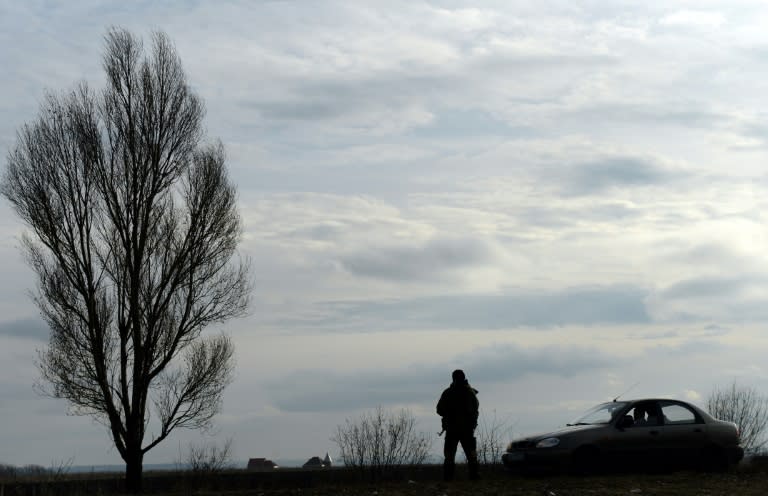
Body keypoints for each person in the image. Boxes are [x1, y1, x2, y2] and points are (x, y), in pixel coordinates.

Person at [436, 369, 480, 481]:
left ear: (453, 378)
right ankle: (474, 477)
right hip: (467, 429)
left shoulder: (448, 393)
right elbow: (476, 408)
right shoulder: (470, 392)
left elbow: (439, 410)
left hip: (452, 429)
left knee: (449, 456)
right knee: (471, 455)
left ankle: (448, 479)